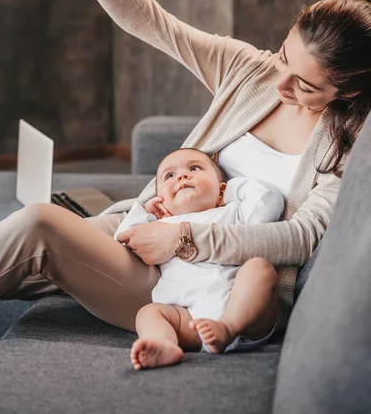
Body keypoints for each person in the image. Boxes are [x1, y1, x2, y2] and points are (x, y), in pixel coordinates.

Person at [0, 0, 370, 347]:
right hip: (151, 229)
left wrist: (184, 239)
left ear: (350, 90)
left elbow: (298, 238)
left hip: (207, 283)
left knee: (40, 225)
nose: (282, 86)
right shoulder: (250, 70)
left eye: (306, 86)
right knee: (15, 255)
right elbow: (156, 25)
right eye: (283, 57)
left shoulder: (348, 143)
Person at [113, 146, 285, 369]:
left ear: (221, 192)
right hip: (188, 317)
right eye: (170, 176)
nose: (183, 176)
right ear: (161, 201)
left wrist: (230, 190)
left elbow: (269, 200)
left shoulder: (234, 212)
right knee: (149, 313)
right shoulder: (158, 226)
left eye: (195, 168)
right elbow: (124, 239)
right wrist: (144, 211)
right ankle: (163, 343)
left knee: (259, 268)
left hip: (243, 310)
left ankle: (227, 328)